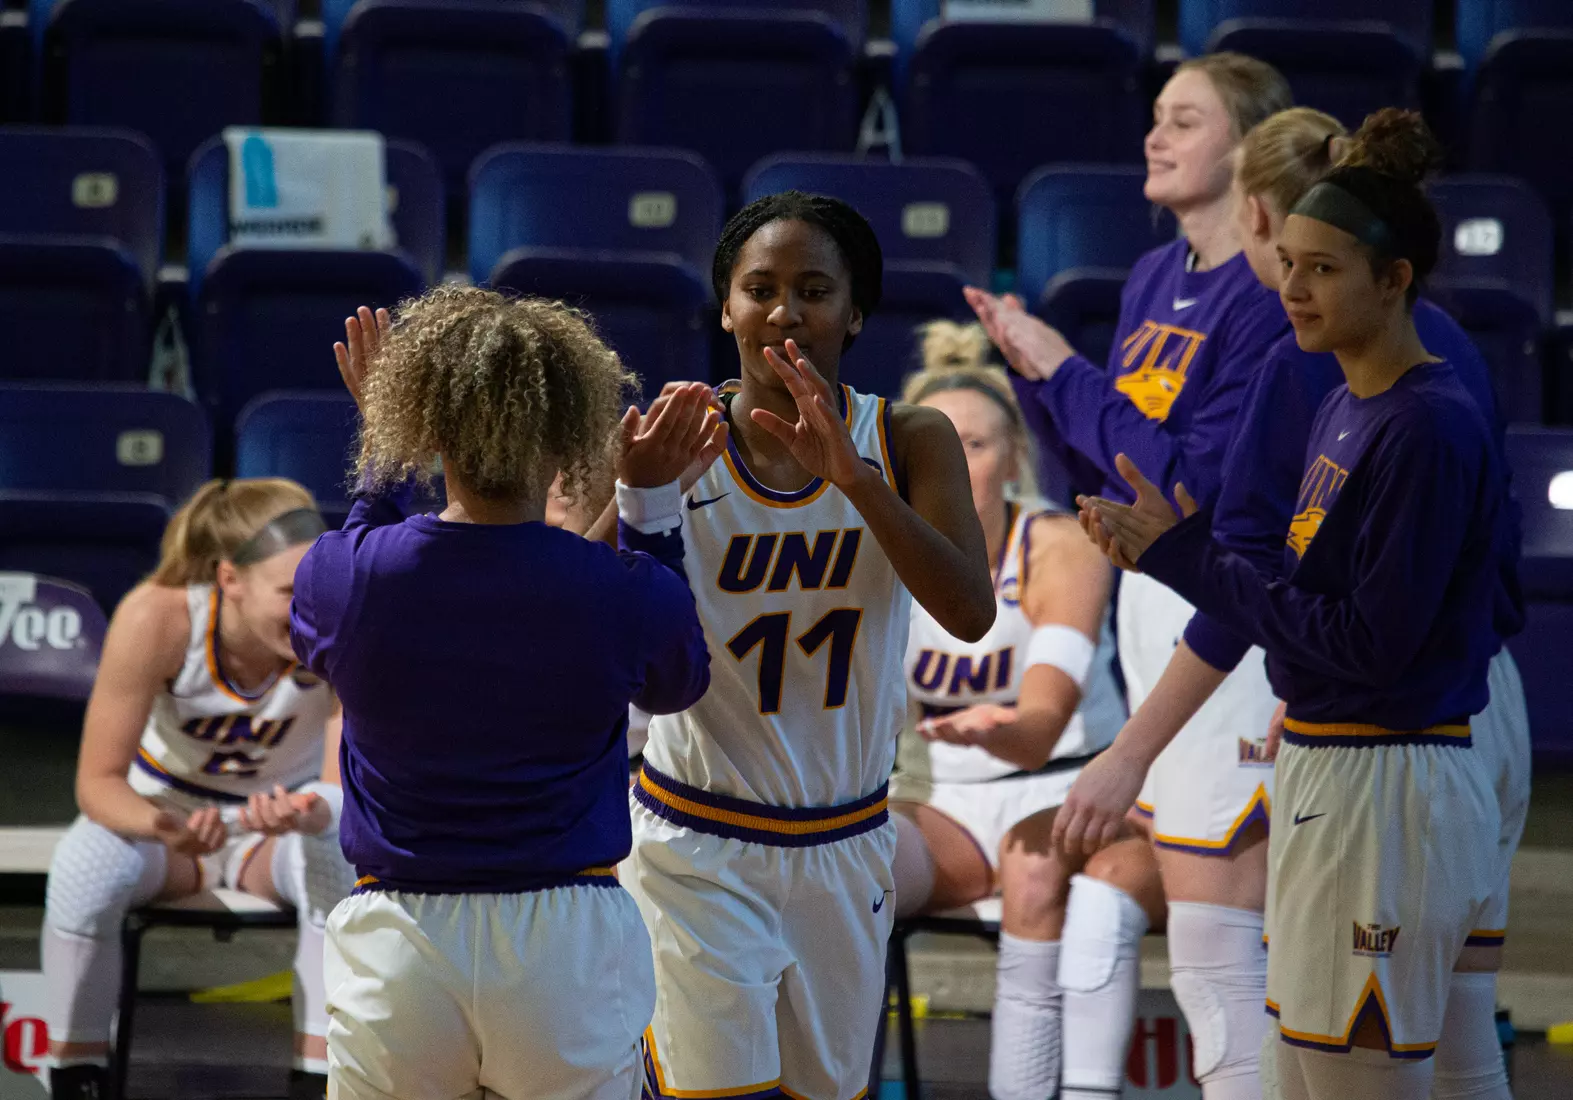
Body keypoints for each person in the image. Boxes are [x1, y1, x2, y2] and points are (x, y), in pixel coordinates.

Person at [1058, 106, 1531, 1100]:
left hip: (1392, 755)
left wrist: (1183, 559)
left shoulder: (1409, 412)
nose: (1289, 287)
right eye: (1293, 263)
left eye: (1318, 267)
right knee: (1391, 1054)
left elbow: (1365, 632)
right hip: (1403, 733)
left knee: (1352, 1063)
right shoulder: (1349, 389)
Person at [290, 293, 722, 1100]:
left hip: (399, 935)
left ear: (423, 422)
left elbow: (357, 553)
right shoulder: (620, 590)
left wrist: (385, 446)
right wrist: (650, 506)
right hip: (565, 941)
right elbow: (679, 682)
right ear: (565, 441)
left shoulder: (342, 577)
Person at [617, 192, 995, 1100]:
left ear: (854, 312)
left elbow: (969, 613)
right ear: (725, 307)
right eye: (760, 288)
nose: (784, 310)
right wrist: (638, 497)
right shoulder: (674, 436)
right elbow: (581, 616)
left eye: (814, 289)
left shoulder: (907, 439)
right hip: (698, 840)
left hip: (844, 840)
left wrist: (855, 483)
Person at [967, 53, 1293, 1100]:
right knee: (1213, 958)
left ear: (1247, 150)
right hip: (1151, 608)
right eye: (1153, 117)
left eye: (1183, 121)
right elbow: (1101, 466)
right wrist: (1038, 385)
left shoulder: (1265, 292)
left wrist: (1065, 370)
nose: (1154, 137)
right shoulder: (1156, 279)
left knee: (1222, 956)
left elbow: (1179, 478)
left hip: (1226, 631)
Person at [886, 326, 1163, 1097]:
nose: (956, 467)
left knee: (1033, 866)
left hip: (1063, 787)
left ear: (1012, 456)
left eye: (974, 446)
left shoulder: (1056, 542)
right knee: (843, 871)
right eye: (935, 448)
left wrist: (1000, 728)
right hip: (939, 802)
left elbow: (1042, 722)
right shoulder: (882, 548)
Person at [42, 479, 349, 1100]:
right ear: (229, 579)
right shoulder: (158, 615)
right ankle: (76, 1074)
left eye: (316, 592)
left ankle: (318, 1078)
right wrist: (163, 826)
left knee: (340, 852)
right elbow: (97, 783)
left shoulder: (341, 625)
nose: (308, 612)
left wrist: (309, 813)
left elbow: (344, 791)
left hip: (277, 833)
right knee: (87, 861)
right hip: (166, 824)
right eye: (290, 593)